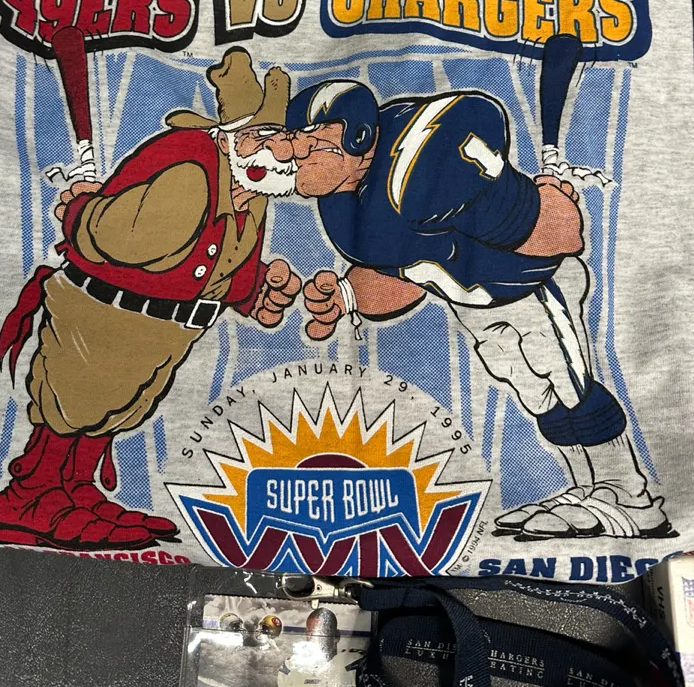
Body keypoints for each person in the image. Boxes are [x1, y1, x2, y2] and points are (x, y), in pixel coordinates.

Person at [284, 78, 672, 541]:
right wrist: (347, 296)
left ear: (358, 137)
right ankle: (588, 488)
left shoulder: (424, 158)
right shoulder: (345, 202)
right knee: (535, 391)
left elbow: (558, 231)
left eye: (314, 143)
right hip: (476, 303)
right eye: (297, 143)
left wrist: (546, 210)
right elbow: (405, 271)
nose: (297, 156)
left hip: (533, 282)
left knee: (569, 381)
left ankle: (631, 496)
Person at [0, 48, 301, 551]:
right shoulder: (190, 177)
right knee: (76, 405)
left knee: (116, 411)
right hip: (106, 315)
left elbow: (220, 261)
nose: (279, 150)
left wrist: (257, 288)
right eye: (261, 137)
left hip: (164, 328)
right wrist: (81, 209)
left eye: (281, 138)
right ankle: (29, 502)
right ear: (227, 137)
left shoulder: (250, 187)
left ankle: (75, 493)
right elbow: (112, 238)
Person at [277, 608, 364, 687]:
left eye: (322, 632)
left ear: (336, 636)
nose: (315, 638)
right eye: (311, 633)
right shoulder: (291, 667)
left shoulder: (353, 665)